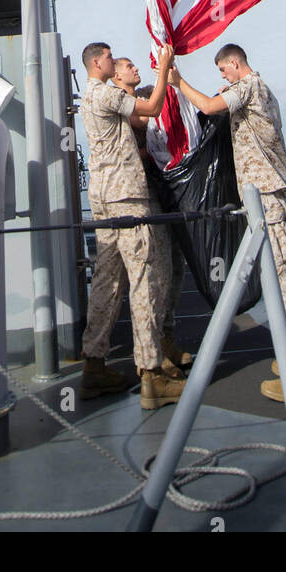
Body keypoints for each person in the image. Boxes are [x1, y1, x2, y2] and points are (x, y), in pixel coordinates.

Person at [169, 43, 286, 402]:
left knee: (285, 272)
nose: (222, 77)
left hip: (266, 193)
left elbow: (208, 106)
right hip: (270, 192)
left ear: (235, 63)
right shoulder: (261, 91)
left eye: (224, 71)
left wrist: (178, 82)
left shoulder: (250, 86)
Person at [78, 41, 186, 411]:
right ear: (97, 63)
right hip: (126, 195)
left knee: (106, 281)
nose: (112, 59)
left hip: (102, 199)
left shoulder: (87, 98)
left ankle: (94, 364)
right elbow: (152, 107)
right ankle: (152, 374)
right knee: (144, 278)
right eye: (109, 57)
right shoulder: (106, 94)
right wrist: (164, 68)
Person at [112, 61, 191, 371]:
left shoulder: (142, 96)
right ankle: (153, 347)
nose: (134, 67)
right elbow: (148, 114)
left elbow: (162, 102)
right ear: (116, 75)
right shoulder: (119, 103)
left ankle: (166, 334)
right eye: (127, 65)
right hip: (138, 199)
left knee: (174, 266)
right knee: (152, 273)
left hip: (162, 192)